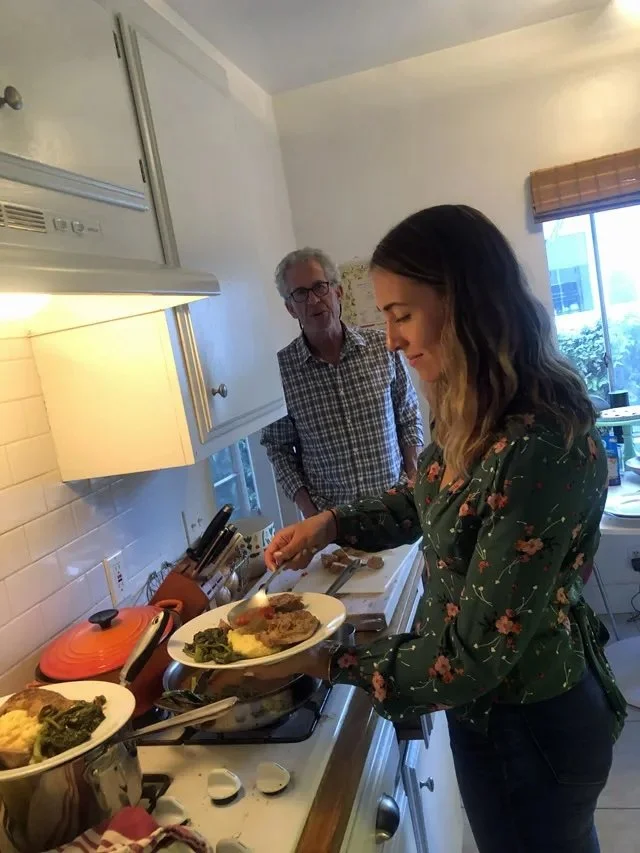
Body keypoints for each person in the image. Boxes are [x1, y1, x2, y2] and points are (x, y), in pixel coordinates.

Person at [260, 207, 626, 853]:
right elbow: (429, 493)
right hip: (503, 713)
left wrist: (320, 656)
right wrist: (332, 520)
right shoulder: (482, 410)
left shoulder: (539, 443)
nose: (393, 338)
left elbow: (473, 656)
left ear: (464, 302)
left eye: (402, 313)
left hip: (529, 721)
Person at [261, 247, 423, 518]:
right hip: (331, 526)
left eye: (319, 287)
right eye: (300, 294)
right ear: (290, 308)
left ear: (338, 292)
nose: (313, 300)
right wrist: (311, 513)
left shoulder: (382, 348)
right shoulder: (282, 371)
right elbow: (278, 449)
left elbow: (408, 415)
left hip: (397, 510)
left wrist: (414, 479)